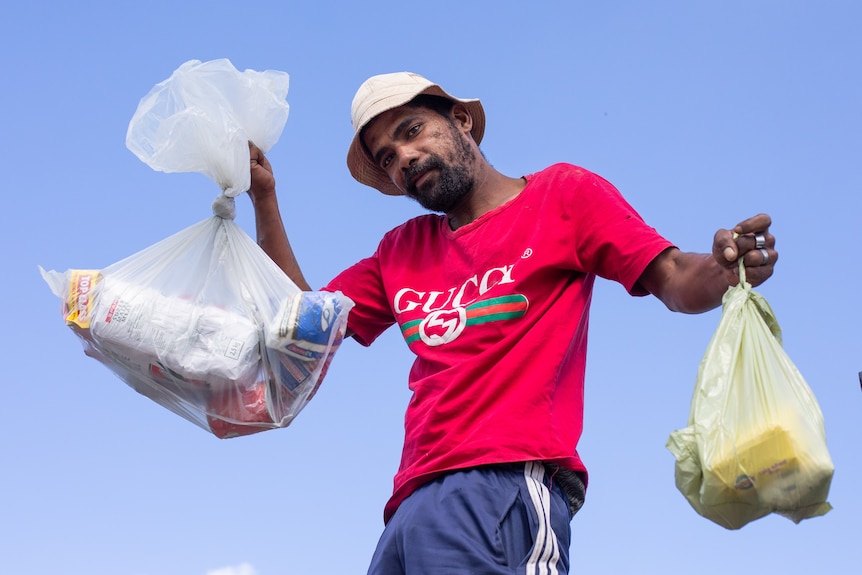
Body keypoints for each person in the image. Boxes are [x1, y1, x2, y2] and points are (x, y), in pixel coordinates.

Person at [246, 72, 777, 575]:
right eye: (387, 157)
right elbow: (300, 329)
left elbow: (675, 277)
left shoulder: (563, 196)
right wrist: (264, 197)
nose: (404, 158)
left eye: (412, 132)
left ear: (462, 121)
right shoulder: (401, 249)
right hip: (409, 505)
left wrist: (722, 269)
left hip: (504, 484)